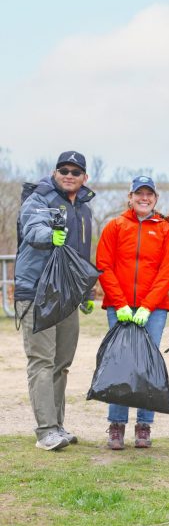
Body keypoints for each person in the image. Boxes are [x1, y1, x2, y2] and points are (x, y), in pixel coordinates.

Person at [15, 151, 96, 451]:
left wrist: (86, 292)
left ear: (84, 177)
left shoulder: (84, 209)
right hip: (37, 292)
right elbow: (32, 228)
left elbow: (81, 256)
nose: (69, 175)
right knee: (41, 361)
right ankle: (45, 431)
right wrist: (50, 235)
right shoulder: (39, 198)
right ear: (55, 172)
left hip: (67, 295)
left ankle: (58, 425)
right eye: (64, 170)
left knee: (62, 363)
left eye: (76, 172)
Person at [96, 176, 169, 450]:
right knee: (120, 363)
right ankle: (116, 424)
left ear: (155, 199)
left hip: (152, 310)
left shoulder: (165, 229)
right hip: (119, 308)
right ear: (130, 197)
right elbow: (104, 265)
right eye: (139, 193)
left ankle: (144, 425)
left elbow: (168, 271)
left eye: (149, 194)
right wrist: (119, 303)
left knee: (146, 365)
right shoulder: (115, 226)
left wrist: (147, 305)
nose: (144, 198)